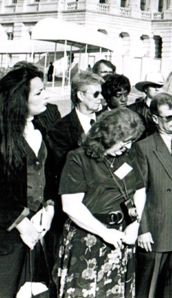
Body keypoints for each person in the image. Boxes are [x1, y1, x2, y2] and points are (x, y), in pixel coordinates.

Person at [0, 64, 56, 296]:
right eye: (39, 92)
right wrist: (22, 224)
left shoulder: (40, 127)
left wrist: (49, 206)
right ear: (19, 98)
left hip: (35, 235)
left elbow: (49, 174)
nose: (47, 95)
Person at [54, 108, 146, 297]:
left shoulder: (128, 155)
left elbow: (140, 190)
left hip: (122, 236)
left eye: (131, 142)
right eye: (124, 142)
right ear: (107, 136)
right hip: (88, 237)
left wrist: (135, 225)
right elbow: (70, 206)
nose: (128, 147)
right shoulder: (78, 158)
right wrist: (104, 232)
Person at [131, 93, 172, 298]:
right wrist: (142, 229)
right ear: (155, 119)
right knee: (148, 288)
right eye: (168, 118)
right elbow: (138, 191)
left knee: (171, 288)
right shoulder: (144, 148)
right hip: (155, 230)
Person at [48, 71, 105, 179]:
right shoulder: (59, 130)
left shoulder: (107, 121)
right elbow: (66, 168)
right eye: (96, 94)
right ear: (81, 95)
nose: (101, 97)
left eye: (101, 93)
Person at [131, 71, 165, 137]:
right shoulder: (134, 109)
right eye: (153, 86)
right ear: (146, 89)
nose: (157, 89)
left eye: (160, 86)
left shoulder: (169, 109)